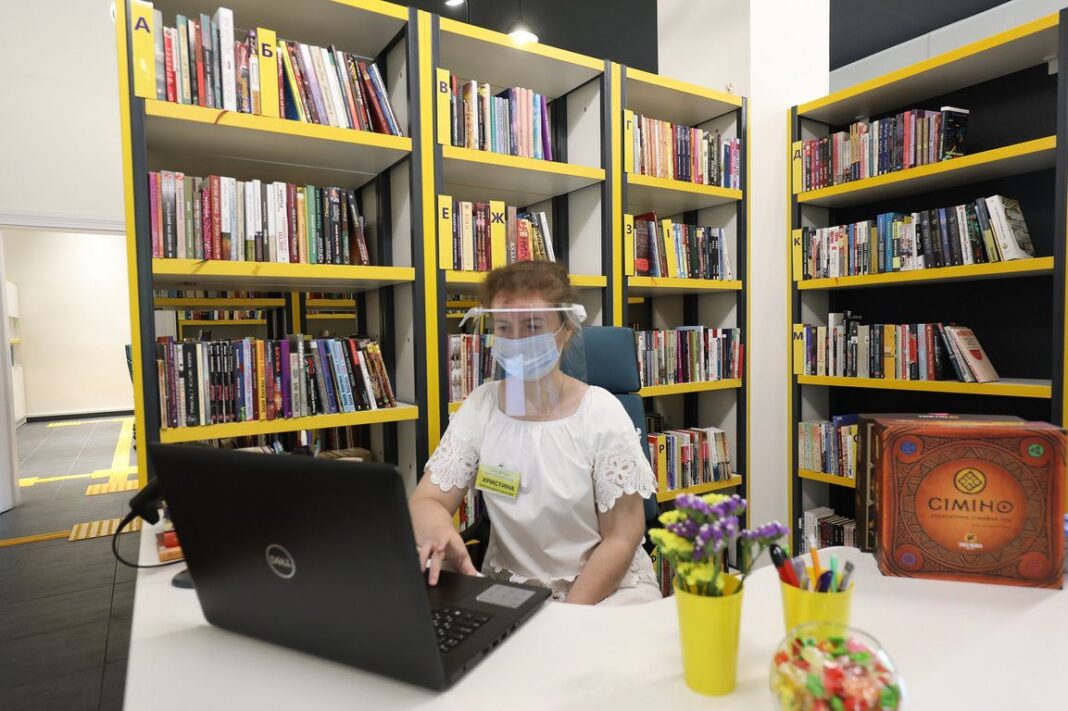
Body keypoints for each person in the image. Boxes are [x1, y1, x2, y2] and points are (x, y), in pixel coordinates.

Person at [409, 261, 661, 605]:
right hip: (514, 592)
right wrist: (439, 531)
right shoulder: (482, 405)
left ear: (566, 330)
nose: (516, 341)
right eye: (503, 327)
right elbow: (428, 501)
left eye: (532, 326)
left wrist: (567, 616)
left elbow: (622, 537)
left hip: (606, 592)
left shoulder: (601, 412)